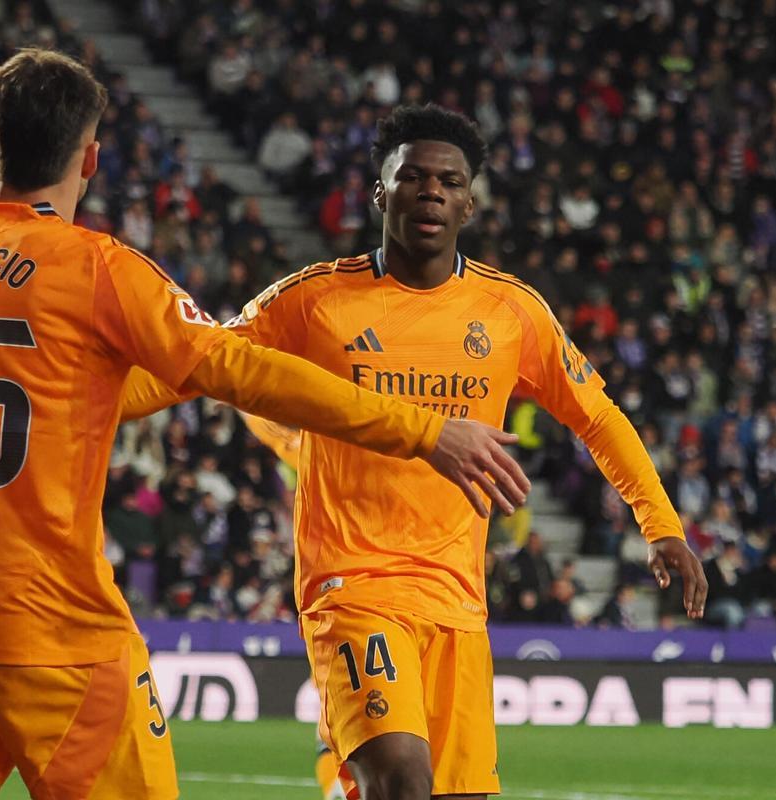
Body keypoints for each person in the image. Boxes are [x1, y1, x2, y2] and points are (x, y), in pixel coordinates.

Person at [0, 55, 528, 800]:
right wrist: (423, 431)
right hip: (53, 631)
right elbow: (240, 368)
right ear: (90, 157)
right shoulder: (95, 269)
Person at [120, 104, 708, 800]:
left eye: (449, 181)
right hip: (355, 584)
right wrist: (64, 404)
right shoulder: (314, 300)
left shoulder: (511, 311)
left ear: (470, 201)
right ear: (380, 192)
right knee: (401, 781)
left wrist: (661, 523)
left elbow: (599, 417)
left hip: (458, 602)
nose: (431, 190)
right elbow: (196, 365)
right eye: (413, 176)